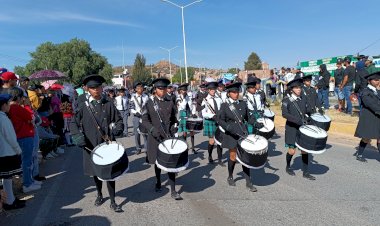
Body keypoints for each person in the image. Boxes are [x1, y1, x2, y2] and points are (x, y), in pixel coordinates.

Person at [69, 74, 124, 212]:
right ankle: (99, 194)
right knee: (96, 172)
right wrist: (77, 136)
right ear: (87, 89)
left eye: (98, 87)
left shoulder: (108, 103)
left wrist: (119, 128)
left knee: (110, 173)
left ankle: (113, 200)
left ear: (102, 87)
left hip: (108, 142)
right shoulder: (82, 105)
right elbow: (73, 123)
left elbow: (118, 120)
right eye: (92, 88)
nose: (96, 90)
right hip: (90, 143)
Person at [141, 78, 181, 200]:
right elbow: (144, 120)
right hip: (155, 137)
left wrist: (175, 126)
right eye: (160, 88)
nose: (162, 91)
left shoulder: (170, 101)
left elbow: (174, 118)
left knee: (171, 163)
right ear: (155, 89)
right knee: (158, 162)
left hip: (168, 136)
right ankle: (158, 181)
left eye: (164, 88)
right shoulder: (149, 103)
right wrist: (152, 129)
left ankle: (173, 190)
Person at [217, 82, 259, 192]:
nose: (236, 94)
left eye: (237, 92)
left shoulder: (243, 103)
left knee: (246, 157)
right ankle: (230, 176)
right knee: (232, 156)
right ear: (229, 93)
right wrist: (228, 127)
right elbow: (220, 120)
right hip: (231, 133)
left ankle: (248, 182)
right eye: (234, 92)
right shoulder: (225, 105)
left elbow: (248, 117)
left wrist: (255, 123)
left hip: (242, 132)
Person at [8, 87, 41, 192]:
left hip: (22, 136)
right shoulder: (16, 107)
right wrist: (30, 120)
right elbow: (30, 118)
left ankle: (29, 181)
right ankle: (27, 184)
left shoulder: (11, 107)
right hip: (24, 136)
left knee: (27, 161)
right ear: (18, 97)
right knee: (27, 161)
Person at [281, 76, 314, 180]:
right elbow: (284, 114)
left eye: (300, 87)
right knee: (292, 151)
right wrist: (297, 120)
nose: (299, 89)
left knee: (305, 150)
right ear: (292, 89)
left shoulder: (303, 98)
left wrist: (310, 116)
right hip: (292, 128)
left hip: (303, 128)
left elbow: (308, 110)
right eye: (296, 88)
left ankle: (306, 172)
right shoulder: (286, 100)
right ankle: (288, 166)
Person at [0, 94, 26, 210]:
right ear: (4, 105)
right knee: (7, 178)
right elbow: (10, 136)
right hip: (7, 153)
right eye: (8, 103)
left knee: (7, 178)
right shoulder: (3, 118)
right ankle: (9, 201)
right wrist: (17, 149)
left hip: (3, 152)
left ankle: (10, 199)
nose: (10, 105)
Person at [354, 72, 380, 162]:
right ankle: (359, 154)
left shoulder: (378, 91)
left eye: (379, 80)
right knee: (366, 138)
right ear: (369, 81)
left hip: (378, 117)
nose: (378, 82)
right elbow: (370, 104)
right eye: (375, 80)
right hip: (369, 117)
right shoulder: (365, 92)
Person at [201, 82, 225, 166]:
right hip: (210, 121)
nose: (213, 91)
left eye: (214, 89)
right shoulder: (205, 101)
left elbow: (222, 108)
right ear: (208, 90)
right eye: (211, 90)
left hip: (219, 121)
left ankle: (220, 159)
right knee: (212, 141)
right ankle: (210, 156)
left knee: (219, 141)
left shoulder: (219, 99)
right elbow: (203, 113)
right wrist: (212, 115)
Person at [177, 83, 197, 154]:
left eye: (185, 90)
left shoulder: (189, 96)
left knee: (192, 132)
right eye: (183, 90)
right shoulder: (179, 98)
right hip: (183, 114)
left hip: (189, 114)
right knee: (185, 133)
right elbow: (182, 106)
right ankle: (185, 148)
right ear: (180, 91)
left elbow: (192, 105)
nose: (185, 91)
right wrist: (185, 98)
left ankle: (193, 148)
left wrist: (193, 113)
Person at [130, 82, 149, 155]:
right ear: (135, 89)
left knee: (145, 133)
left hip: (144, 117)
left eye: (141, 88)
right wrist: (136, 113)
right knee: (137, 134)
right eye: (138, 88)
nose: (140, 89)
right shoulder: (133, 97)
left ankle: (147, 148)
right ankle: (138, 148)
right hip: (136, 117)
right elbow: (131, 107)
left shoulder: (146, 96)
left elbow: (148, 106)